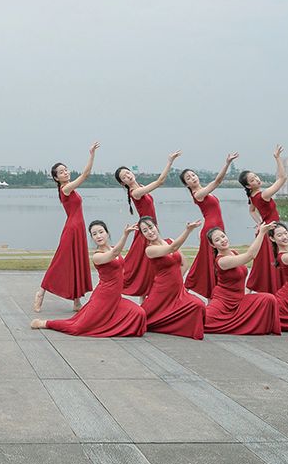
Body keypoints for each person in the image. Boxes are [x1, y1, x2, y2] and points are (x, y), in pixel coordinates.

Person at [30, 220, 146, 338]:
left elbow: (118, 261)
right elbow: (115, 253)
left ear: (107, 233)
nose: (98, 236)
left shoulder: (112, 248)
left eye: (101, 232)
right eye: (94, 234)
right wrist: (125, 235)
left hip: (116, 299)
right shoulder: (97, 256)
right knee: (77, 327)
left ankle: (110, 326)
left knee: (139, 314)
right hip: (103, 299)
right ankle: (45, 323)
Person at [33, 142, 99, 313]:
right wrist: (91, 154)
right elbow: (85, 174)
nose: (66, 172)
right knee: (59, 262)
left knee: (77, 262)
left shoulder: (68, 189)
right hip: (71, 229)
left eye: (66, 169)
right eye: (61, 172)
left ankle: (77, 301)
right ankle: (40, 293)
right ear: (56, 178)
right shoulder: (66, 188)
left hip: (78, 229)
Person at [115, 151, 181, 298]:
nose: (128, 176)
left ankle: (148, 298)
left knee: (148, 266)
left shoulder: (140, 186)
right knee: (144, 267)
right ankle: (141, 298)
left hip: (151, 228)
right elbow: (160, 181)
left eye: (128, 173)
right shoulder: (136, 192)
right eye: (124, 177)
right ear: (122, 183)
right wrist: (170, 161)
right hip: (146, 231)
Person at [203, 225, 282, 335]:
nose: (222, 240)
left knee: (269, 299)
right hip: (224, 303)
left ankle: (258, 327)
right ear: (212, 245)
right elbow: (251, 255)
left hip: (239, 300)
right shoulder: (222, 261)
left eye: (223, 236)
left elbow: (250, 255)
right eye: (217, 240)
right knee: (200, 322)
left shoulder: (233, 253)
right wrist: (262, 233)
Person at [138, 217, 206, 340]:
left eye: (150, 227)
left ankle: (176, 326)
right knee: (141, 319)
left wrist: (176, 282)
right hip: (161, 292)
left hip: (177, 291)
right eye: (145, 230)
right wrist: (188, 231)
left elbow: (185, 264)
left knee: (199, 305)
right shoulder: (150, 250)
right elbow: (172, 249)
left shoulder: (170, 240)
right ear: (143, 234)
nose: (150, 232)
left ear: (156, 226)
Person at [180, 152, 237, 297]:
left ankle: (216, 290)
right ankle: (203, 291)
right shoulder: (198, 194)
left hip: (217, 227)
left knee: (208, 261)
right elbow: (217, 181)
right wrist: (227, 163)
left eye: (193, 175)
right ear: (186, 184)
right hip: (211, 230)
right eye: (189, 178)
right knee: (208, 263)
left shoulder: (202, 191)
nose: (193, 178)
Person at [238, 145, 286, 293]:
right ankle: (276, 288)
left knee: (265, 262)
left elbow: (252, 210)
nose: (257, 180)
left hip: (266, 228)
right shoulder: (263, 195)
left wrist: (260, 223)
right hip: (272, 229)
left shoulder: (253, 196)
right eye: (253, 179)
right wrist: (277, 158)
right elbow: (282, 178)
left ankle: (263, 288)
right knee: (275, 259)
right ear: (248, 185)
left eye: (256, 176)